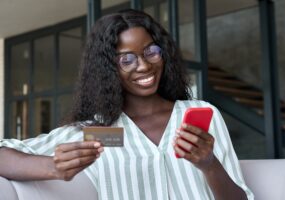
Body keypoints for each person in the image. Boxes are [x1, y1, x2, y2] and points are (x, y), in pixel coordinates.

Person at [0, 9, 254, 200]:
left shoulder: (199, 115)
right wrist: (53, 167)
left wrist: (209, 165)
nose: (144, 65)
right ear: (108, 69)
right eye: (127, 59)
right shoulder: (105, 133)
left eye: (151, 52)